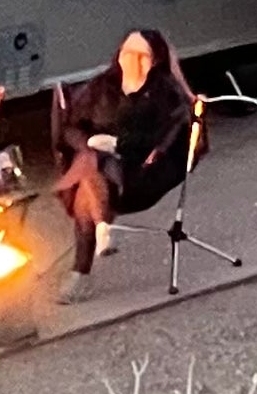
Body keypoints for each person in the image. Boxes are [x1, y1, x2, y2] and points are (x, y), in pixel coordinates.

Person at [52, 26, 195, 279]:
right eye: (127, 53)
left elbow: (164, 140)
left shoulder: (166, 94)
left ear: (156, 59)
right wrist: (89, 144)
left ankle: (82, 268)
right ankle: (102, 228)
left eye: (142, 56)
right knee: (91, 164)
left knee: (87, 179)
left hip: (141, 175)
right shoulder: (102, 86)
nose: (133, 61)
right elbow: (70, 128)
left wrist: (118, 145)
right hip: (99, 169)